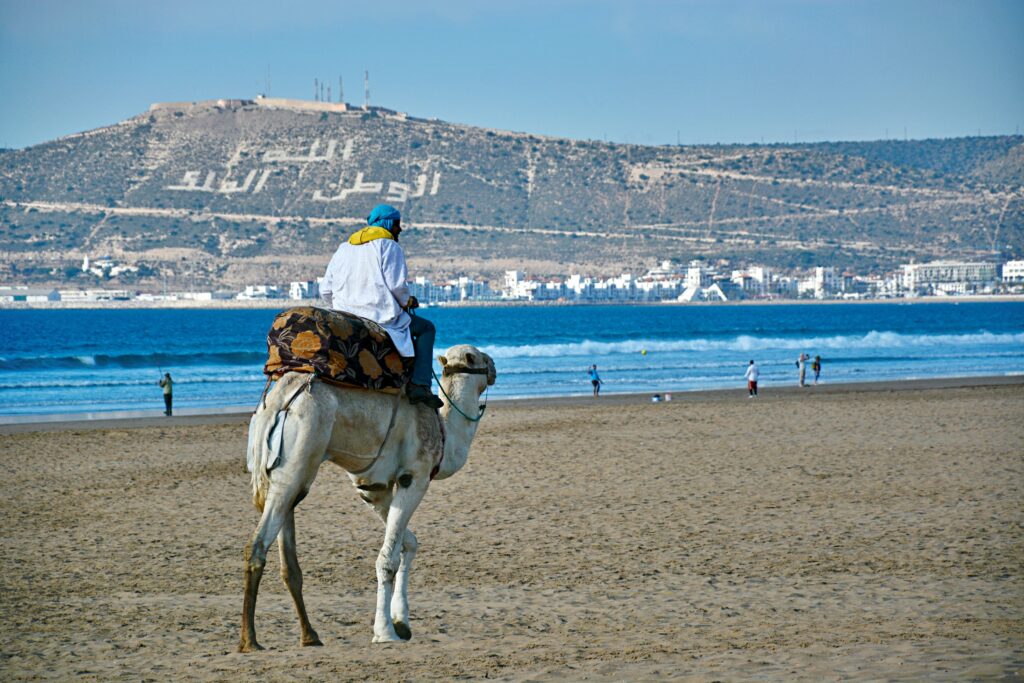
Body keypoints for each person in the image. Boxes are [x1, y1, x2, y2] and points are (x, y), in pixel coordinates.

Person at [320, 204, 443, 409]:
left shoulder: (343, 248)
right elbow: (396, 285)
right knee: (426, 328)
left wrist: (342, 310)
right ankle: (420, 385)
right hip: (379, 316)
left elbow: (326, 290)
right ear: (387, 223)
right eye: (397, 224)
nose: (400, 230)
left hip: (345, 317)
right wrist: (407, 301)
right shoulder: (388, 246)